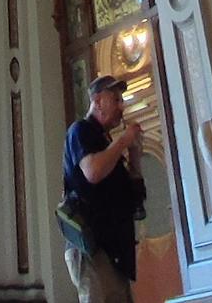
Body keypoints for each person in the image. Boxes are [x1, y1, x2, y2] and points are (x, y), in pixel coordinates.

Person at [62, 75, 146, 303]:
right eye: (116, 100)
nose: (121, 107)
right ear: (97, 101)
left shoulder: (107, 144)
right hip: (93, 249)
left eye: (122, 101)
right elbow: (93, 172)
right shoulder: (81, 131)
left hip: (115, 252)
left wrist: (134, 154)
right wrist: (123, 141)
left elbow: (134, 196)